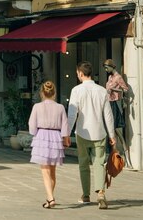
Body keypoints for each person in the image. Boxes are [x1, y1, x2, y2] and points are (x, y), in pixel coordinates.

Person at [67, 61, 116, 209]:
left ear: (81, 74)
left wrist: (67, 133)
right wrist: (112, 135)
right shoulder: (102, 90)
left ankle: (86, 195)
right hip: (99, 132)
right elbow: (108, 115)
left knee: (83, 164)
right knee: (99, 163)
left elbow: (72, 114)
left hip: (82, 132)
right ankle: (101, 193)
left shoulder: (76, 90)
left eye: (77, 73)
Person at [28, 81, 70, 209]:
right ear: (54, 93)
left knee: (45, 170)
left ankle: (50, 198)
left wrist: (35, 133)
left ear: (42, 93)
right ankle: (49, 198)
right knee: (52, 171)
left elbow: (32, 126)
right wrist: (65, 138)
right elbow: (65, 126)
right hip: (56, 137)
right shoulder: (60, 107)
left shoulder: (37, 106)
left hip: (42, 136)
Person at [104, 59, 129, 132]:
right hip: (108, 101)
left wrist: (114, 89)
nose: (106, 70)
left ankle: (119, 142)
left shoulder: (118, 77)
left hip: (114, 102)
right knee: (111, 125)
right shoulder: (110, 77)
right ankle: (122, 143)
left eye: (106, 67)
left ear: (111, 66)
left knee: (112, 125)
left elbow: (125, 89)